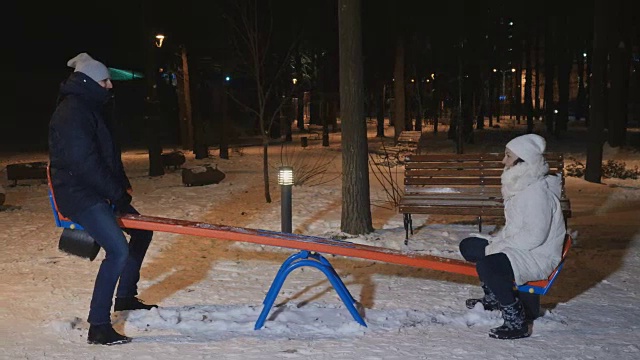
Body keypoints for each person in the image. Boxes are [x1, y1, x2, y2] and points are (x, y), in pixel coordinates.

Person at [48, 53, 157, 345]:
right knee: (118, 250)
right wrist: (116, 193)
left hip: (96, 189)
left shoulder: (91, 108)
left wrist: (121, 186)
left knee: (141, 232)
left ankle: (124, 297)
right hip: (78, 193)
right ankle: (98, 326)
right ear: (87, 82)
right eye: (104, 80)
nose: (110, 85)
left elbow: (107, 155)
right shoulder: (72, 113)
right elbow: (84, 163)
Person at [458, 134, 566, 340]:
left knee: (488, 265)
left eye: (508, 156)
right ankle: (493, 297)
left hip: (537, 255)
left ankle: (517, 321)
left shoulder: (536, 193)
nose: (503, 161)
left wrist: (498, 246)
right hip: (521, 248)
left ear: (523, 161)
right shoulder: (522, 185)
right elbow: (515, 227)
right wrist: (497, 242)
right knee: (469, 246)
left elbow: (534, 237)